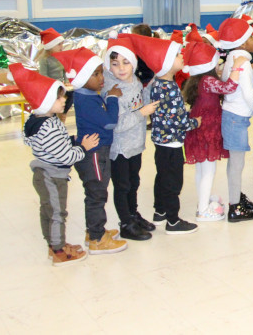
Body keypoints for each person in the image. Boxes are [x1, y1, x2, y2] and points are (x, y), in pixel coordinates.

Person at [10, 63, 98, 266]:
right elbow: (67, 157)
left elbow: (54, 145)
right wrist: (83, 147)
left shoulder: (35, 121)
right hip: (53, 176)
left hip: (44, 172)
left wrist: (70, 139)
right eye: (59, 97)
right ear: (45, 100)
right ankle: (58, 250)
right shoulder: (49, 125)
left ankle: (54, 243)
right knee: (58, 212)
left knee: (48, 210)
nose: (64, 100)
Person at [52, 47, 128, 254]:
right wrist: (112, 98)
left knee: (97, 192)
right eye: (95, 74)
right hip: (94, 154)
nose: (101, 78)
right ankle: (96, 239)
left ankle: (94, 230)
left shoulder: (88, 95)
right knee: (97, 193)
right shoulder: (86, 100)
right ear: (83, 77)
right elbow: (110, 123)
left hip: (98, 151)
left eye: (101, 72)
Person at [130, 35, 202, 235]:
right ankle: (172, 220)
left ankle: (160, 211)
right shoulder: (169, 89)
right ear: (166, 64)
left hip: (161, 141)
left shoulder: (157, 84)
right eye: (177, 55)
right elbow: (179, 121)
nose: (181, 57)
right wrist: (195, 122)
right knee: (173, 181)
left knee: (162, 177)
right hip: (172, 143)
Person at [102, 36, 158, 241]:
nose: (121, 69)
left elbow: (141, 99)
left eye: (126, 62)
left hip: (135, 144)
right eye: (115, 64)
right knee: (122, 185)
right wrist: (142, 113)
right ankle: (125, 223)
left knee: (134, 182)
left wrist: (150, 87)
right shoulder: (111, 90)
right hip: (120, 148)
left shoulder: (134, 81)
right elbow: (117, 123)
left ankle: (133, 215)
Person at [182, 42, 244, 222]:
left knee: (202, 169)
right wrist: (237, 67)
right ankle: (203, 210)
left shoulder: (198, 80)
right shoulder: (208, 81)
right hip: (207, 130)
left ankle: (203, 201)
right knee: (208, 170)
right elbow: (229, 88)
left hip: (200, 129)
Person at [218, 18, 253, 222]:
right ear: (243, 43)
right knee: (236, 164)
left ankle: (236, 197)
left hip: (234, 118)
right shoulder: (241, 62)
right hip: (235, 119)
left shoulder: (235, 58)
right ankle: (235, 207)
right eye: (252, 37)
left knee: (236, 163)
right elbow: (250, 93)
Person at [37, 28, 71, 122]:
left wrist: (67, 81)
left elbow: (64, 71)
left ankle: (63, 113)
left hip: (61, 85)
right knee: (58, 96)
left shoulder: (60, 56)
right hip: (51, 86)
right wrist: (53, 84)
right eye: (59, 44)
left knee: (72, 93)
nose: (61, 46)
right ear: (51, 46)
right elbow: (43, 76)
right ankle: (57, 115)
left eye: (62, 44)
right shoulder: (44, 59)